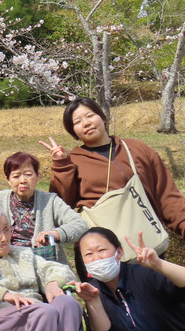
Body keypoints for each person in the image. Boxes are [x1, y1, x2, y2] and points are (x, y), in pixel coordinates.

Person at [41, 96, 185, 239]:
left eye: (90, 115)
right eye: (77, 122)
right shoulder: (72, 161)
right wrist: (62, 165)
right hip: (99, 252)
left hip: (146, 246)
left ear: (103, 118)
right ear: (73, 132)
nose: (86, 123)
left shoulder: (137, 149)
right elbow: (60, 206)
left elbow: (167, 197)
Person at [0, 152, 87, 263]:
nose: (23, 180)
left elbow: (80, 225)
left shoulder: (50, 201)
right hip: (5, 262)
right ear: (8, 180)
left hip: (43, 262)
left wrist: (55, 234)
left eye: (28, 174)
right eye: (16, 176)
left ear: (38, 177)